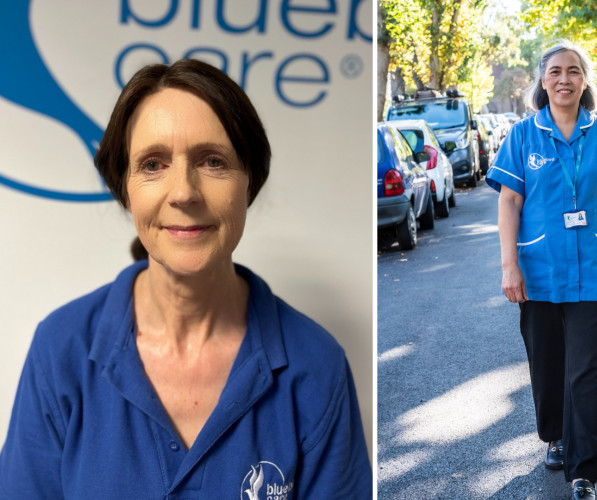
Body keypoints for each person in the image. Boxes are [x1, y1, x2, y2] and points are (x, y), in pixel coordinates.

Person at [0, 59, 372, 499]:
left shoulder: (317, 365)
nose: (183, 192)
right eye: (153, 164)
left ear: (248, 183)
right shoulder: (60, 350)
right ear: (125, 187)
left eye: (213, 161)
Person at [486, 40, 597, 500]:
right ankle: (555, 435)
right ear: (542, 79)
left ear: (585, 80)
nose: (564, 80)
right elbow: (509, 201)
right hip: (538, 271)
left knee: (588, 370)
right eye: (555, 71)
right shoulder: (521, 135)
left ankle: (583, 472)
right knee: (549, 365)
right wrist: (509, 265)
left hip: (593, 269)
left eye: (573, 71)